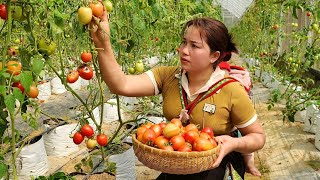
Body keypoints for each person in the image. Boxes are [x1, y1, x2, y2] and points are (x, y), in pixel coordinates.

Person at [90, 9, 265, 180]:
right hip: (179, 161)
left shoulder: (231, 90)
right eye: (184, 42)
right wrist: (102, 42)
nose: (184, 50)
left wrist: (234, 143)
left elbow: (258, 137)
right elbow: (121, 84)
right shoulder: (168, 77)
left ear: (214, 56)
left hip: (215, 165)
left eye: (194, 46)